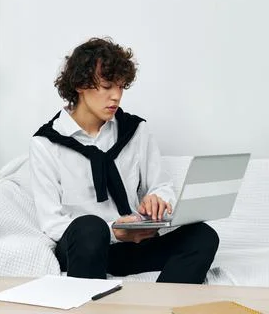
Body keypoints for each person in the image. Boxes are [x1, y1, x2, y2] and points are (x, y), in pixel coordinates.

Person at [29, 37, 219, 283]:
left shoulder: (135, 130)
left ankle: (161, 305)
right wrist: (113, 231)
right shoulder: (46, 143)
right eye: (107, 86)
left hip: (134, 243)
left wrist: (158, 201)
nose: (116, 96)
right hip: (85, 248)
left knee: (203, 236)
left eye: (121, 87)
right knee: (90, 228)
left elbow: (161, 186)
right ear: (79, 84)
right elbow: (52, 223)